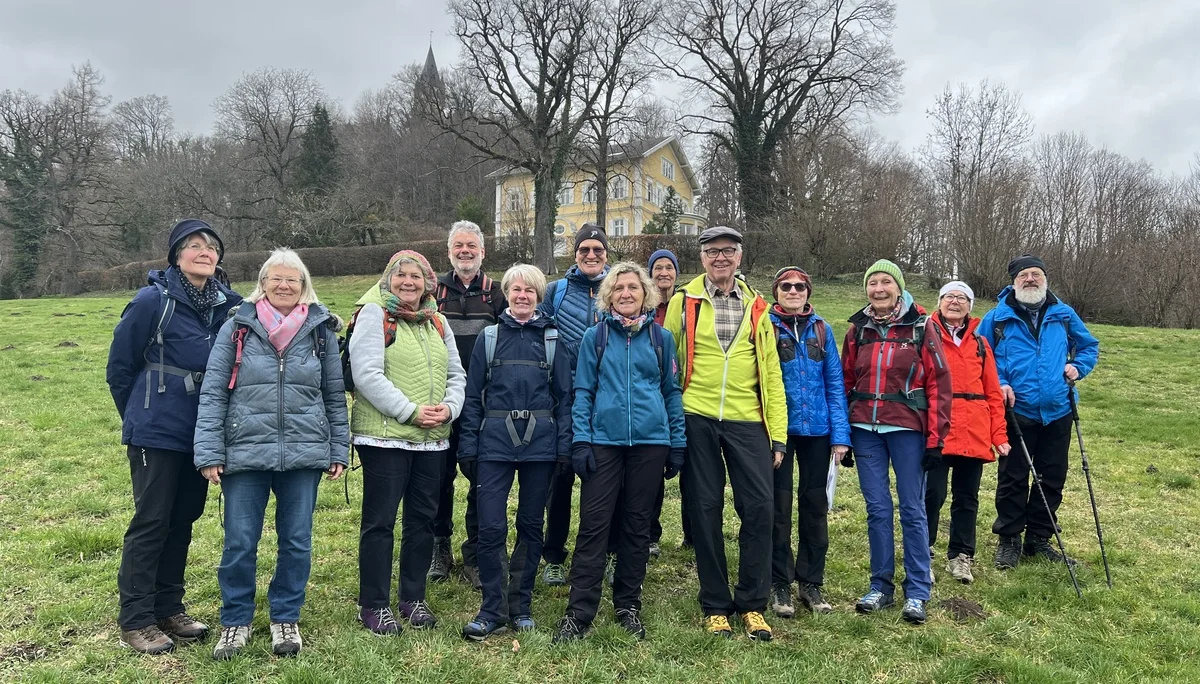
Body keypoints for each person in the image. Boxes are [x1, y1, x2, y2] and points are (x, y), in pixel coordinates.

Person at [194, 249, 349, 659]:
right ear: (262, 284)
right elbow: (213, 393)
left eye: (292, 280)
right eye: (275, 278)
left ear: (303, 286)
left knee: (296, 541)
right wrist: (209, 451)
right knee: (240, 542)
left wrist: (338, 447)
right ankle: (236, 621)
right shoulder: (236, 327)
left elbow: (334, 396)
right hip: (244, 451)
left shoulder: (320, 332)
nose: (283, 285)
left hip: (304, 451)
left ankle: (285, 616)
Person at [106, 219, 242, 655]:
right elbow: (120, 368)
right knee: (152, 521)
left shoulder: (228, 305)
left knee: (183, 518)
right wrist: (140, 417)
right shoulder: (153, 300)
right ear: (176, 255)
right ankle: (136, 618)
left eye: (211, 246)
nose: (204, 252)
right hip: (156, 430)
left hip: (202, 432)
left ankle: (169, 608)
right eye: (194, 245)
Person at [662, 226, 788, 642]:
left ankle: (752, 603)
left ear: (739, 256)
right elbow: (667, 363)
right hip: (696, 415)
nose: (720, 257)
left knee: (760, 508)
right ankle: (715, 604)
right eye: (712, 251)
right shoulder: (684, 301)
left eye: (728, 251)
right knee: (704, 508)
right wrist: (670, 424)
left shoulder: (757, 306)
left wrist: (778, 435)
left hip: (747, 419)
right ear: (702, 258)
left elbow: (771, 373)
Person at [553, 262, 686, 643]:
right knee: (594, 526)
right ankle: (579, 612)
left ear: (646, 294)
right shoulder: (594, 337)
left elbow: (671, 391)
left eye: (633, 287)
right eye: (619, 288)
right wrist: (581, 440)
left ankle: (628, 604)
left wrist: (677, 442)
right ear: (608, 295)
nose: (626, 293)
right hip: (604, 443)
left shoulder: (661, 339)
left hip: (651, 444)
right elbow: (583, 392)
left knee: (637, 526)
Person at [351, 250, 466, 635]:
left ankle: (413, 597)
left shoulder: (438, 321)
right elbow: (366, 374)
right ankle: (373, 604)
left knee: (422, 520)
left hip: (432, 439)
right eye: (400, 275)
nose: (408, 282)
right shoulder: (374, 313)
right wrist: (409, 411)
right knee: (380, 522)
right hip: (385, 437)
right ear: (388, 280)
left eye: (416, 276)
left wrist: (450, 408)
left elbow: (456, 373)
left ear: (428, 282)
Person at [458, 264, 573, 641]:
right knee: (491, 526)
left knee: (530, 525)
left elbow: (565, 399)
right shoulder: (489, 338)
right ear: (506, 294)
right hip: (494, 444)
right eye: (516, 290)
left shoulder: (554, 340)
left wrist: (563, 447)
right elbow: (472, 397)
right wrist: (468, 446)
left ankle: (520, 606)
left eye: (530, 291)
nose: (522, 296)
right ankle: (492, 608)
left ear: (539, 297)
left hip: (540, 446)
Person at [841, 259, 951, 625]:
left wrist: (936, 440)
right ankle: (880, 587)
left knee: (912, 508)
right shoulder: (857, 330)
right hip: (864, 430)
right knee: (877, 509)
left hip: (907, 430)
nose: (879, 289)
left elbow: (939, 383)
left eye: (886, 282)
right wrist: (844, 434)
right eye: (872, 283)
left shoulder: (922, 326)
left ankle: (917, 591)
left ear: (898, 287)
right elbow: (845, 381)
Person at [980, 255, 1099, 570]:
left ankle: (1039, 538)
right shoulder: (997, 318)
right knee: (1013, 477)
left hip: (1058, 409)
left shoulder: (1064, 314)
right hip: (1016, 410)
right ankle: (1009, 539)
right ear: (1013, 282)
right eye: (1024, 275)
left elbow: (1089, 346)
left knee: (1052, 476)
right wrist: (1000, 383)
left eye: (1036, 274)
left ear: (1045, 279)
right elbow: (980, 355)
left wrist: (1078, 367)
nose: (1030, 279)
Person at [766, 267, 851, 619]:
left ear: (808, 291)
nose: (793, 291)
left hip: (818, 431)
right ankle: (779, 581)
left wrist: (840, 436)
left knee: (815, 507)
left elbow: (835, 383)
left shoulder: (822, 330)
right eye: (786, 286)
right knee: (778, 507)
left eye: (800, 286)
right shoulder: (767, 327)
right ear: (776, 291)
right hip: (780, 431)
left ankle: (811, 581)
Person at [428, 221, 506, 589]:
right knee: (438, 478)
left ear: (482, 252)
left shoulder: (496, 293)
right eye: (458, 245)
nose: (465, 251)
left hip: (482, 404)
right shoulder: (433, 291)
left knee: (482, 479)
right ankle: (439, 546)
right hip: (441, 401)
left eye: (471, 246)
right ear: (449, 252)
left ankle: (476, 553)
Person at [924, 281, 1010, 585]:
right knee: (931, 494)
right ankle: (923, 552)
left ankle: (961, 556)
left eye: (962, 297)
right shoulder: (925, 335)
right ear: (940, 302)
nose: (955, 302)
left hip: (974, 430)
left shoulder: (981, 344)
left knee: (967, 497)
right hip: (936, 428)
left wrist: (999, 436)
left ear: (970, 306)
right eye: (949, 296)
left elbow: (993, 393)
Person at [538, 224, 609, 586]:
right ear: (575, 253)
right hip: (563, 401)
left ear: (606, 254)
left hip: (607, 400)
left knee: (607, 484)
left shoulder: (617, 288)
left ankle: (606, 554)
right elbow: (539, 336)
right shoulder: (556, 291)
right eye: (584, 250)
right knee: (559, 481)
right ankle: (553, 556)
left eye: (598, 249)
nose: (591, 255)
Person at [646, 248, 691, 556]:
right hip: (653, 393)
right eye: (658, 267)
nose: (664, 272)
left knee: (691, 469)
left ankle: (692, 533)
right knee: (652, 469)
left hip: (684, 392)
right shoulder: (644, 306)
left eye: (669, 267)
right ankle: (651, 534)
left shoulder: (687, 305)